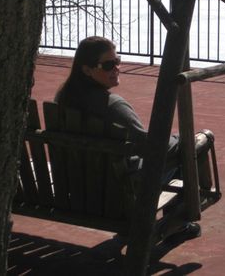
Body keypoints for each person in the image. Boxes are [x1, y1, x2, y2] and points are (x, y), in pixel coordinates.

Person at [55, 36, 213, 240]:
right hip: (119, 194)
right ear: (87, 70)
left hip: (78, 190)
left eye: (118, 61)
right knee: (188, 148)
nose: (117, 68)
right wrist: (182, 139)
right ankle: (177, 225)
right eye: (109, 65)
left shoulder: (63, 100)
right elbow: (152, 147)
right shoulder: (113, 106)